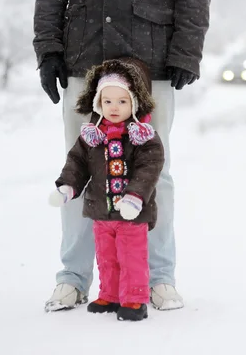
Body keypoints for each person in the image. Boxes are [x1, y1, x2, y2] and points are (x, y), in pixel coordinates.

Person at [33, 0, 211, 312]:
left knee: (155, 171)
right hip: (83, 60)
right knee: (77, 167)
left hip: (150, 63)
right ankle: (71, 276)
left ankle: (158, 277)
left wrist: (185, 51)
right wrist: (48, 49)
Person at [49, 57, 164, 322]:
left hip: (131, 213)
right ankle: (110, 294)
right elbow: (76, 163)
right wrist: (68, 186)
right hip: (101, 210)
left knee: (131, 256)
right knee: (107, 256)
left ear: (134, 102)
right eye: (107, 101)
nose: (114, 108)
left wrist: (135, 196)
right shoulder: (92, 136)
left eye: (122, 101)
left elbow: (149, 168)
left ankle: (134, 299)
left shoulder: (143, 137)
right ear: (98, 103)